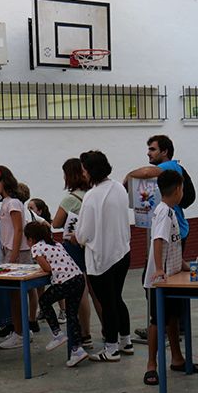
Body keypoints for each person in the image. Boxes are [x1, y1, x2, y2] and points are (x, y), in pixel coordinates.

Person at [126, 134, 190, 344]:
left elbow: (146, 171)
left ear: (164, 151)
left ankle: (163, 324)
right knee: (167, 280)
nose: (148, 153)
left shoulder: (172, 165)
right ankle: (169, 324)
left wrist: (128, 176)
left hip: (173, 232)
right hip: (168, 231)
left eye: (153, 149)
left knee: (154, 280)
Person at [142, 170, 198, 386]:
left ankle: (177, 358)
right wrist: (158, 270)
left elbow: (172, 244)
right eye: (183, 188)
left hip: (174, 276)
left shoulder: (172, 212)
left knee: (173, 318)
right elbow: (158, 240)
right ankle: (151, 366)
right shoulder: (164, 212)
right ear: (177, 190)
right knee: (158, 321)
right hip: (160, 281)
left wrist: (184, 266)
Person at [74, 150, 132, 362]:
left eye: (83, 170)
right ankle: (126, 341)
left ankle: (111, 348)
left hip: (102, 258)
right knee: (116, 298)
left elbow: (83, 234)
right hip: (122, 252)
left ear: (90, 171)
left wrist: (77, 236)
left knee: (107, 303)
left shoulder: (92, 196)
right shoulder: (118, 188)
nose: (82, 174)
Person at [51, 158, 100, 354]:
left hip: (74, 248)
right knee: (97, 292)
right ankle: (109, 332)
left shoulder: (71, 199)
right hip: (92, 247)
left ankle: (85, 333)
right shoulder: (92, 194)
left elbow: (56, 223)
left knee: (80, 292)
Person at [0, 165, 38, 349]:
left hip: (17, 253)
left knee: (17, 295)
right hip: (9, 251)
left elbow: (18, 229)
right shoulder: (6, 202)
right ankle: (20, 330)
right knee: (13, 295)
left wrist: (14, 254)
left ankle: (20, 333)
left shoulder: (14, 203)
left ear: (4, 182)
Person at [26, 222, 88, 367]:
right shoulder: (56, 244)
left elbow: (47, 268)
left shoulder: (36, 248)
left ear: (30, 239)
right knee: (72, 314)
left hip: (65, 281)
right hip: (78, 279)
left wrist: (40, 268)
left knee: (44, 301)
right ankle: (77, 349)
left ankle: (57, 333)